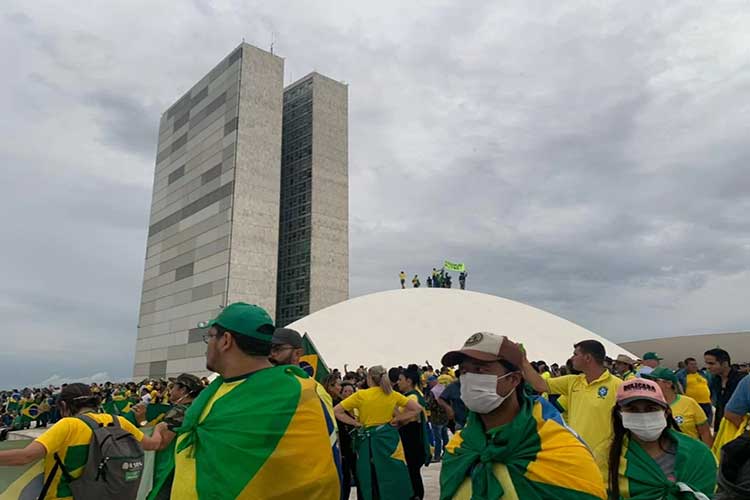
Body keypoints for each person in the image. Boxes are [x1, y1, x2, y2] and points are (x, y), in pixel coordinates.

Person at [172, 302, 340, 499]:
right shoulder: (215, 390)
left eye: (210, 336)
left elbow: (321, 474)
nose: (207, 344)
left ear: (226, 340)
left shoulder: (298, 392)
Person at [439, 332, 606, 499]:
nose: (469, 378)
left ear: (513, 379)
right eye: (463, 371)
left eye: (480, 369)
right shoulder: (458, 448)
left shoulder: (562, 452)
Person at [0, 383, 165, 500]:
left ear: (64, 405)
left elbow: (25, 457)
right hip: (106, 495)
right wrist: (158, 429)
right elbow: (154, 445)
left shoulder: (68, 425)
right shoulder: (119, 421)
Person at [600, 378, 716, 499]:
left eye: (651, 409)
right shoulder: (606, 455)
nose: (643, 416)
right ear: (620, 414)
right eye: (632, 409)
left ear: (666, 412)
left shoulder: (697, 453)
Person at [522, 340, 622, 465]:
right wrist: (523, 361)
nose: (571, 358)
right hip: (576, 455)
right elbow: (539, 385)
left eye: (575, 354)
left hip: (604, 461)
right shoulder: (573, 382)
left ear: (587, 358)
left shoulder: (618, 386)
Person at [334, 365, 423, 500]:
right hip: (389, 439)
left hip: (368, 442)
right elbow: (417, 409)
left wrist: (356, 423)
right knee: (393, 473)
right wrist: (398, 419)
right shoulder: (392, 394)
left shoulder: (361, 395)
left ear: (370, 378)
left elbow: (336, 411)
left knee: (370, 476)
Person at [140, 373, 204, 500]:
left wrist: (142, 420)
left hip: (168, 467)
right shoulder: (197, 409)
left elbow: (160, 443)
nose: (170, 390)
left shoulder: (179, 412)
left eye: (174, 386)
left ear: (183, 390)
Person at [644, 367, 713, 447]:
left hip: (690, 453)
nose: (650, 384)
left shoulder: (689, 403)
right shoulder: (648, 405)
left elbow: (705, 432)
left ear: (668, 383)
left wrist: (707, 454)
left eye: (654, 380)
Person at [396, 367, 430, 499]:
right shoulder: (415, 394)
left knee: (412, 473)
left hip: (411, 440)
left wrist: (394, 411)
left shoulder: (412, 397)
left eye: (400, 380)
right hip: (412, 439)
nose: (398, 383)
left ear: (409, 381)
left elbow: (410, 418)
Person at [705, 348, 747, 432]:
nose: (708, 367)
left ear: (724, 363)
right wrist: (717, 430)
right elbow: (719, 406)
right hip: (723, 426)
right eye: (706, 363)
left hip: (740, 426)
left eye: (711, 363)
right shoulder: (715, 380)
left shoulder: (742, 380)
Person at [676, 357, 713, 423]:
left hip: (706, 402)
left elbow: (709, 385)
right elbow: (677, 387)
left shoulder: (702, 374)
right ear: (686, 366)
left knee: (707, 422)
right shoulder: (681, 375)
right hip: (692, 403)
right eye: (692, 364)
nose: (694, 366)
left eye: (695, 364)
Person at [424, 376, 449, 461]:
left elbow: (430, 405)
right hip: (445, 416)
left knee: (437, 438)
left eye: (429, 383)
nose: (428, 384)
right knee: (445, 436)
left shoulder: (433, 392)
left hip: (436, 417)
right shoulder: (444, 388)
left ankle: (437, 456)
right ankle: (446, 454)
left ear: (433, 382)